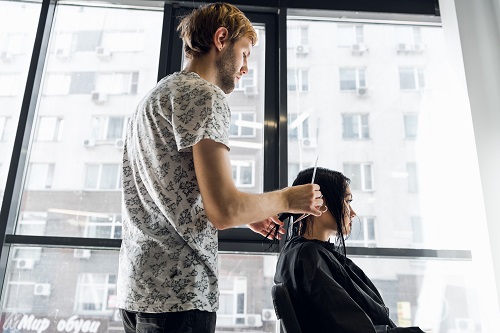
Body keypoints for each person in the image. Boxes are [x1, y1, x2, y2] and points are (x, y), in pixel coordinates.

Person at [116, 3, 323, 333]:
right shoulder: (205, 95)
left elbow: (176, 196)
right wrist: (287, 199)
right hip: (180, 299)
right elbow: (224, 210)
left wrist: (249, 212)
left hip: (137, 291)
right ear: (222, 38)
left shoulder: (156, 97)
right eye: (244, 54)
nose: (245, 68)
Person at [274, 167, 425, 333]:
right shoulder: (309, 257)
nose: (353, 213)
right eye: (347, 201)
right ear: (317, 203)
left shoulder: (298, 253)